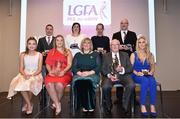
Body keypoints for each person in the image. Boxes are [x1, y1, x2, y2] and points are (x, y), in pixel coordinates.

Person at [7, 37, 43, 115]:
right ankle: (29, 104)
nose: (31, 45)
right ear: (27, 45)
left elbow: (39, 69)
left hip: (36, 74)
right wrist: (25, 74)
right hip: (25, 73)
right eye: (29, 43)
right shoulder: (22, 54)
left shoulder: (39, 55)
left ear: (36, 45)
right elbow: (20, 68)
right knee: (20, 85)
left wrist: (32, 75)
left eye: (33, 44)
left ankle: (27, 104)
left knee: (31, 83)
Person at [101, 39, 135, 114]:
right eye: (113, 45)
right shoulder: (105, 56)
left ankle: (125, 106)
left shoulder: (125, 55)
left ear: (119, 46)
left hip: (123, 76)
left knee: (131, 85)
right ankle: (109, 105)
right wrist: (109, 75)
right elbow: (103, 69)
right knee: (105, 87)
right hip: (110, 76)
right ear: (110, 46)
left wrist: (122, 69)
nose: (115, 46)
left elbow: (130, 68)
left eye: (117, 44)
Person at [45, 35, 73, 115]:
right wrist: (50, 71)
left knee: (59, 85)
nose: (59, 42)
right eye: (57, 40)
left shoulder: (67, 51)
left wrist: (63, 71)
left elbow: (69, 64)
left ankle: (55, 103)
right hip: (53, 72)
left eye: (61, 40)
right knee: (49, 83)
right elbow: (47, 64)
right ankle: (57, 104)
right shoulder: (51, 51)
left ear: (63, 42)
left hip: (65, 73)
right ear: (55, 42)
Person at [71, 38, 101, 112]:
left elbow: (99, 67)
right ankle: (84, 105)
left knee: (87, 81)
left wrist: (89, 73)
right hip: (79, 74)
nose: (86, 44)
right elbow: (73, 67)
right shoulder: (77, 55)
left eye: (88, 43)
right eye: (84, 43)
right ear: (82, 45)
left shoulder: (96, 54)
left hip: (93, 74)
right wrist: (79, 73)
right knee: (79, 82)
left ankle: (90, 105)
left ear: (91, 45)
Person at [130, 35, 157, 117]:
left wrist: (151, 72)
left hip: (147, 74)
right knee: (145, 81)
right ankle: (142, 105)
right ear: (137, 44)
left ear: (146, 44)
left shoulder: (150, 54)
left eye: (143, 42)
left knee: (152, 81)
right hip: (136, 75)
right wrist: (137, 73)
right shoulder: (133, 54)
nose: (141, 44)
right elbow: (130, 68)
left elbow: (152, 66)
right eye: (139, 42)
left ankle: (152, 105)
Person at [112, 18, 137, 103]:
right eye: (122, 23)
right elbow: (113, 46)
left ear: (128, 24)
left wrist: (129, 48)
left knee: (130, 77)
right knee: (119, 75)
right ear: (120, 24)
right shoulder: (115, 34)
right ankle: (119, 99)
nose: (123, 25)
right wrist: (119, 47)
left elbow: (136, 47)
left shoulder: (133, 34)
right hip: (119, 58)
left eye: (125, 23)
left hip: (130, 58)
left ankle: (132, 98)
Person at [37, 24, 55, 105]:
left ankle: (53, 97)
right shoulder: (41, 40)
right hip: (43, 64)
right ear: (45, 30)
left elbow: (58, 51)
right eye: (47, 29)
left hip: (53, 64)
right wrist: (42, 53)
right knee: (44, 81)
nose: (49, 30)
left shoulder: (55, 39)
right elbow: (38, 51)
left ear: (52, 30)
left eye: (51, 29)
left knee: (52, 81)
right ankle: (43, 97)